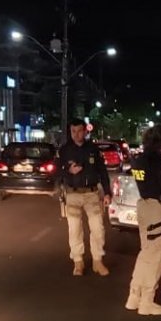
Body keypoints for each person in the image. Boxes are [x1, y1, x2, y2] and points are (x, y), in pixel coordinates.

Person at [125, 124, 161, 315]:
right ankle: (147, 301)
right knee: (156, 257)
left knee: (146, 253)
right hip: (157, 208)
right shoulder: (157, 160)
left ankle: (134, 296)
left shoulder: (138, 159)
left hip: (144, 206)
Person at [57, 118, 112, 277]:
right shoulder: (65, 150)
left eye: (79, 131)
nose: (76, 134)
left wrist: (107, 192)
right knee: (74, 230)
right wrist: (68, 171)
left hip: (92, 194)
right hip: (72, 193)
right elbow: (57, 172)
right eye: (73, 131)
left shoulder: (93, 149)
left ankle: (97, 261)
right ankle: (78, 262)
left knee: (98, 229)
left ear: (85, 131)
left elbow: (102, 171)